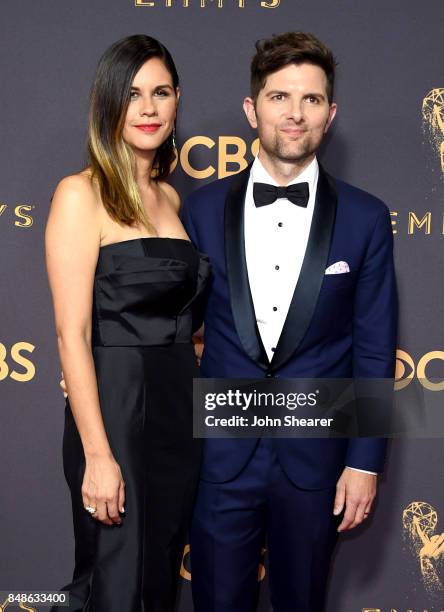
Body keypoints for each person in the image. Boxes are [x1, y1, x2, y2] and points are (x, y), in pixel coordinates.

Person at [181, 32, 398, 612]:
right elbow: (175, 332)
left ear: (330, 113)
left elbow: (375, 349)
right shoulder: (198, 209)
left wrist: (363, 460)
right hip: (220, 456)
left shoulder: (366, 218)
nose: (295, 114)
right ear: (253, 109)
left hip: (318, 459)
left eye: (310, 99)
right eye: (279, 97)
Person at [46, 34, 210, 612]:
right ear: (109, 104)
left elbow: (184, 317)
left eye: (160, 92)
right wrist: (97, 453)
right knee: (116, 580)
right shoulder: (79, 194)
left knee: (159, 573)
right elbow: (71, 334)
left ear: (176, 101)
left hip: (178, 409)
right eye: (133, 93)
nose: (148, 108)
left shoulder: (170, 198)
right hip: (116, 406)